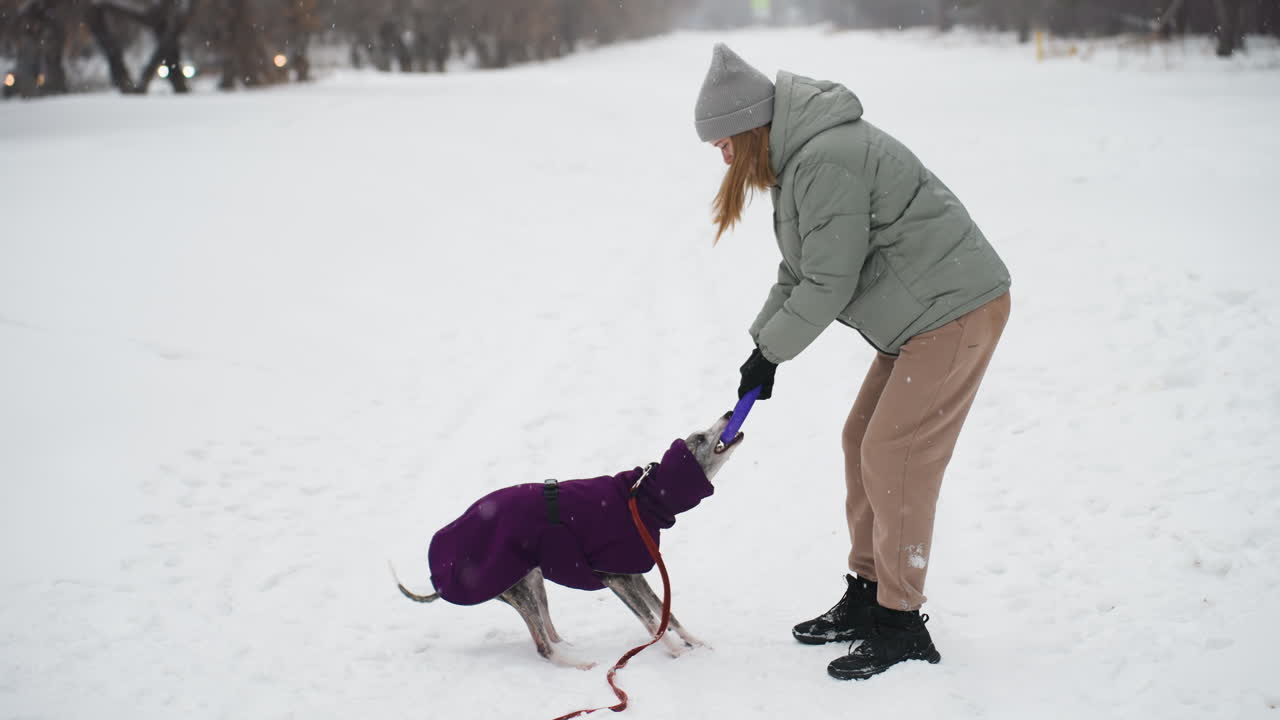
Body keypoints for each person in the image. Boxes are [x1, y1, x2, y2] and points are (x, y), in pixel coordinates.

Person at [694, 43, 1012, 680]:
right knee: (860, 440)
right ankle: (870, 596)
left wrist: (774, 351)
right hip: (923, 317)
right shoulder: (801, 161)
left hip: (953, 310)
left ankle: (901, 622)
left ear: (751, 129)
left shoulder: (825, 160)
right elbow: (800, 269)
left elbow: (828, 283)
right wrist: (762, 349)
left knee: (894, 453)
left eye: (725, 144)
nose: (723, 158)